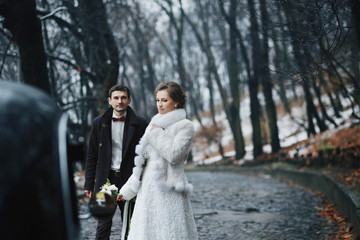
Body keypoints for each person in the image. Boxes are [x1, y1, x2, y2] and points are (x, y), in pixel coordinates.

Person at [117, 81, 198, 240]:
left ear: (176, 102)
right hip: (147, 192)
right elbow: (142, 163)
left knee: (170, 233)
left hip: (170, 191)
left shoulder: (185, 126)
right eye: (158, 100)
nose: (159, 104)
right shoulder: (153, 125)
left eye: (164, 100)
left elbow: (174, 155)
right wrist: (128, 189)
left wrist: (156, 134)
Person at [84, 84, 148, 240]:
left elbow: (147, 155)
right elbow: (92, 155)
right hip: (105, 179)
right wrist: (88, 184)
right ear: (109, 101)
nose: (120, 101)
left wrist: (143, 180)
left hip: (130, 179)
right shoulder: (98, 123)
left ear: (129, 100)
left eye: (123, 98)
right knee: (103, 223)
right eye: (116, 98)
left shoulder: (140, 123)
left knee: (131, 222)